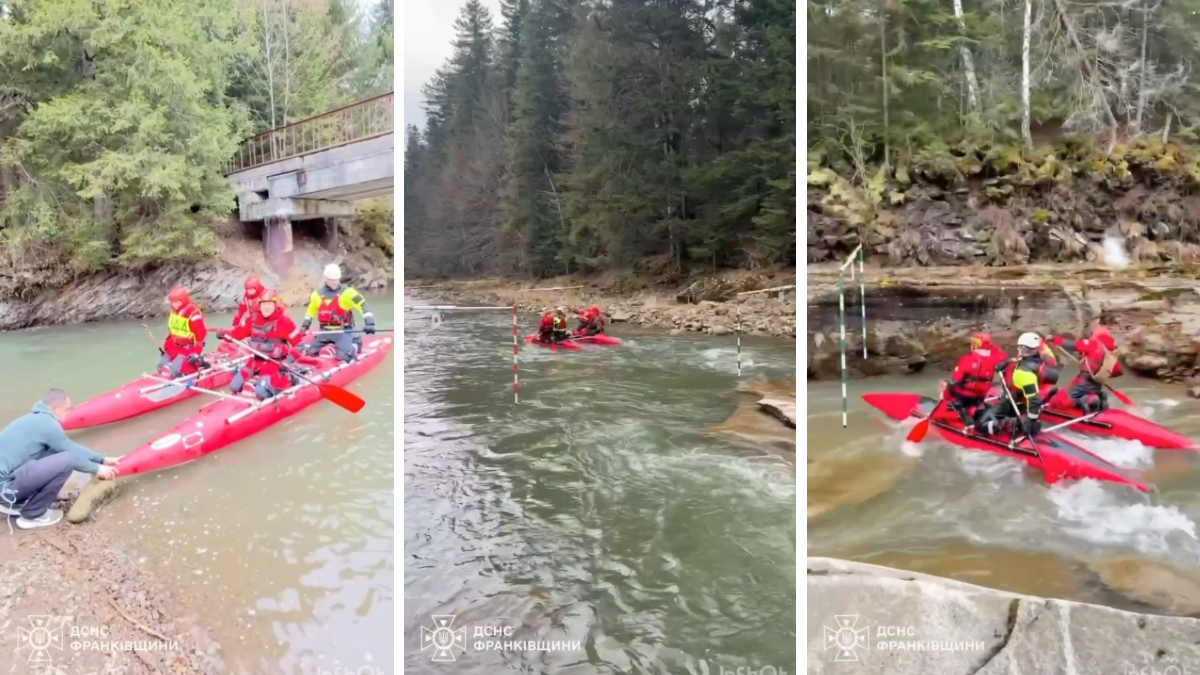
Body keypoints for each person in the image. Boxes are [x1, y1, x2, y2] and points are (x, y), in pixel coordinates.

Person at [0, 389, 119, 529]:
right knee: (67, 461)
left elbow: (69, 446)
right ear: (55, 407)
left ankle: (13, 504)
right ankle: (32, 515)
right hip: (5, 489)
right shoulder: (47, 424)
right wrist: (97, 469)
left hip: (5, 488)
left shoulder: (33, 420)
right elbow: (70, 453)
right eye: (67, 409)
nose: (69, 413)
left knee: (56, 452)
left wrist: (101, 459)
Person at [219, 291, 302, 401]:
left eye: (269, 304)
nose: (266, 307)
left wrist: (288, 361)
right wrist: (223, 333)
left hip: (275, 364)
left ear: (275, 305)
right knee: (234, 386)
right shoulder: (252, 320)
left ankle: (288, 378)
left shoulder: (284, 322)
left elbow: (300, 345)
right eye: (264, 304)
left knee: (260, 392)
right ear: (259, 305)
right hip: (256, 361)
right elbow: (236, 334)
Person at [976, 332, 1058, 438]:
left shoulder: (1023, 373)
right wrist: (1007, 363)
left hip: (1015, 401)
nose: (1018, 349)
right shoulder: (1044, 360)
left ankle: (1009, 424)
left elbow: (1034, 399)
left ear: (1023, 349)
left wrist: (1030, 421)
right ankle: (1023, 418)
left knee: (980, 425)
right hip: (1025, 399)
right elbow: (1022, 359)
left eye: (1019, 347)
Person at [299, 264, 376, 362]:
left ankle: (356, 342)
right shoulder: (316, 295)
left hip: (343, 331)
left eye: (336, 279)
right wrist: (304, 326)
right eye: (331, 279)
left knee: (343, 356)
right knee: (310, 353)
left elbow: (363, 305)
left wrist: (370, 323)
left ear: (339, 278)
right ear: (326, 278)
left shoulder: (348, 293)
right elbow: (310, 312)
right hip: (325, 331)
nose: (334, 282)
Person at [938, 333, 1005, 428]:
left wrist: (946, 386)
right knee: (988, 389)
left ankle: (954, 410)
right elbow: (1000, 353)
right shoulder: (995, 357)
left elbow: (955, 380)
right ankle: (976, 409)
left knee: (947, 386)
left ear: (976, 345)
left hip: (965, 397)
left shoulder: (967, 360)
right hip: (981, 396)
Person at [1050, 325, 1122, 413]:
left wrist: (1054, 340)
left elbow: (1073, 345)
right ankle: (1099, 398)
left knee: (1062, 400)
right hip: (1097, 384)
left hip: (1083, 381)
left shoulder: (1094, 344)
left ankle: (1087, 400)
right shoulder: (1110, 351)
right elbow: (1117, 370)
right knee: (1086, 392)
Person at [159, 285, 208, 378]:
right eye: (172, 302)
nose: (173, 304)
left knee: (175, 370)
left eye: (176, 302)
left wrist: (195, 353)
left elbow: (200, 337)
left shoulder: (193, 314)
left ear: (182, 300)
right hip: (176, 346)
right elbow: (171, 332)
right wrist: (166, 349)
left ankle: (198, 363)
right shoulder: (174, 312)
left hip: (189, 349)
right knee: (161, 365)